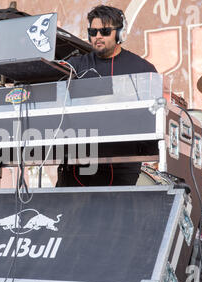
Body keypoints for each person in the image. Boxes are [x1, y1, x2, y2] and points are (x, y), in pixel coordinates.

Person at [56, 5, 157, 187]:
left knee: (116, 215)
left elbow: (152, 116)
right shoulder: (75, 66)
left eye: (105, 31)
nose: (98, 36)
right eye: (93, 32)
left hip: (123, 163)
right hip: (78, 163)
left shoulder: (142, 69)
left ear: (119, 34)